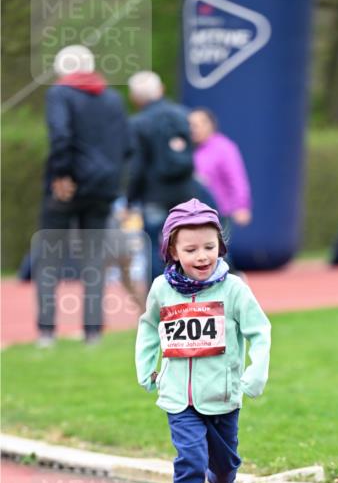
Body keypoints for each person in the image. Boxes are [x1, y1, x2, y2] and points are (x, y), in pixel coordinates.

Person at [135, 199, 271, 483]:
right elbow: (149, 327)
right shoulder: (161, 290)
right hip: (179, 395)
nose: (202, 256)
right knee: (190, 457)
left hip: (223, 395)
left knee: (224, 463)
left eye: (210, 247)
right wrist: (146, 365)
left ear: (221, 247)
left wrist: (256, 372)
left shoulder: (234, 289)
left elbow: (260, 330)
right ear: (172, 251)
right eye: (191, 249)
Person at [35, 45, 130, 347]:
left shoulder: (60, 94)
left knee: (49, 258)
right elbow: (127, 145)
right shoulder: (113, 98)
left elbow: (60, 135)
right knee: (94, 260)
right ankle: (92, 332)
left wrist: (62, 175)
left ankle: (47, 331)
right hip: (103, 188)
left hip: (69, 185)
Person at [126, 72, 219, 288]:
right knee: (193, 244)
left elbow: (136, 166)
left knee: (154, 247)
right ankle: (197, 292)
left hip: (154, 195)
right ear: (161, 89)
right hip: (185, 192)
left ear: (135, 98)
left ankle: (162, 297)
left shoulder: (138, 123)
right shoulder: (182, 115)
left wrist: (131, 199)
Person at [188, 108, 253, 255]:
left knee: (218, 251)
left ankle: (230, 276)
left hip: (220, 211)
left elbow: (236, 178)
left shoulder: (224, 148)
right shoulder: (191, 149)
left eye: (196, 125)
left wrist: (242, 205)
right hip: (196, 211)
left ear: (209, 125)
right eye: (190, 125)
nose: (192, 129)